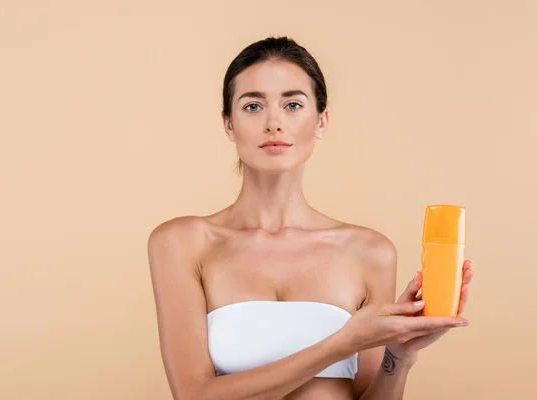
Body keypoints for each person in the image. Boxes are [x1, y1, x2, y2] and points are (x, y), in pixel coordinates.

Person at [147, 36, 474, 400]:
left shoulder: (370, 251)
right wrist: (342, 343)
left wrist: (398, 353)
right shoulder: (183, 243)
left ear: (321, 121)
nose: (274, 123)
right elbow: (194, 396)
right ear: (228, 124)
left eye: (292, 104)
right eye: (253, 106)